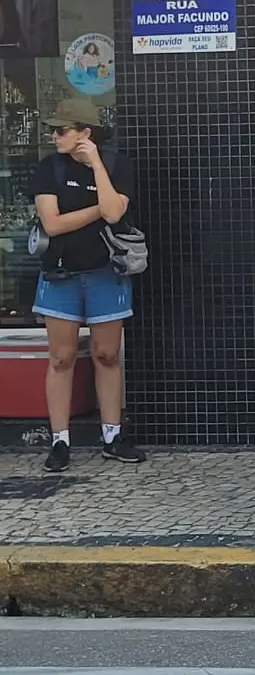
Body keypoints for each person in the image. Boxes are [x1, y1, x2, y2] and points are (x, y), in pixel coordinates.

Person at [31, 98, 143, 473]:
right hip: (61, 272)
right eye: (53, 130)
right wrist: (98, 209)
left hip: (105, 271)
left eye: (62, 130)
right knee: (61, 357)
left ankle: (112, 435)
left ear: (85, 134)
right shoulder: (50, 168)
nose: (54, 136)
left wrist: (95, 164)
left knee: (107, 354)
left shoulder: (114, 165)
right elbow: (53, 224)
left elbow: (116, 212)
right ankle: (59, 439)